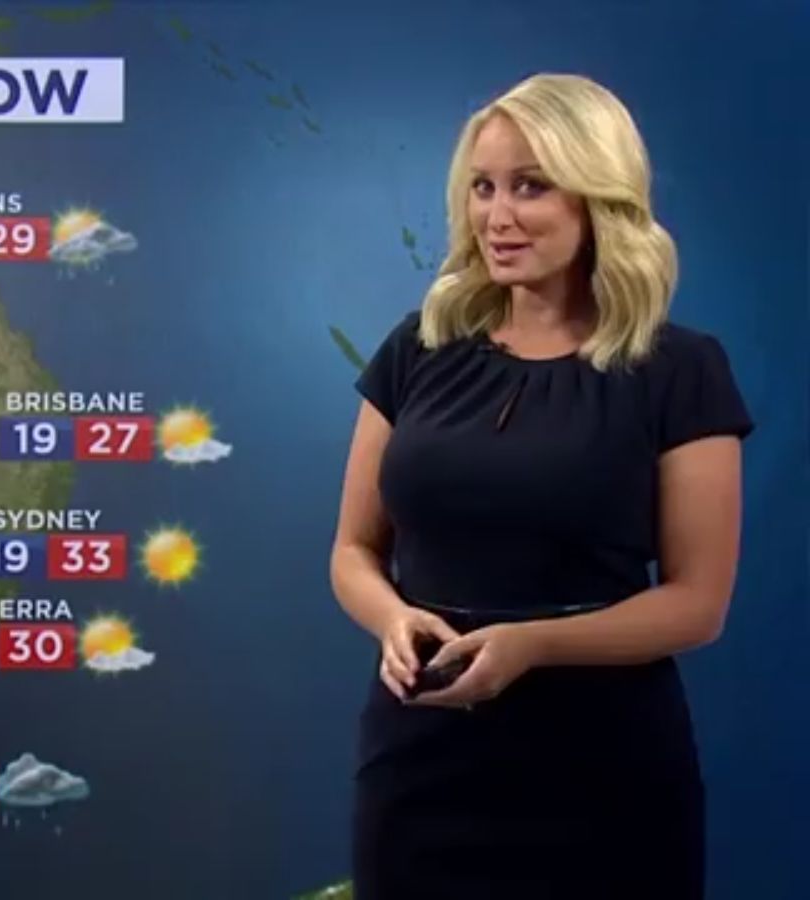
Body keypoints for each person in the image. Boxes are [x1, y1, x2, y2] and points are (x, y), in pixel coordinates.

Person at [330, 72, 753, 899]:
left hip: (601, 768)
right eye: (482, 187)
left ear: (598, 197)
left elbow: (697, 604)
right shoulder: (417, 350)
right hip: (419, 761)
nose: (497, 215)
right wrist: (392, 619)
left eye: (530, 186)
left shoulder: (679, 370)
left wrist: (533, 646)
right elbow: (352, 550)